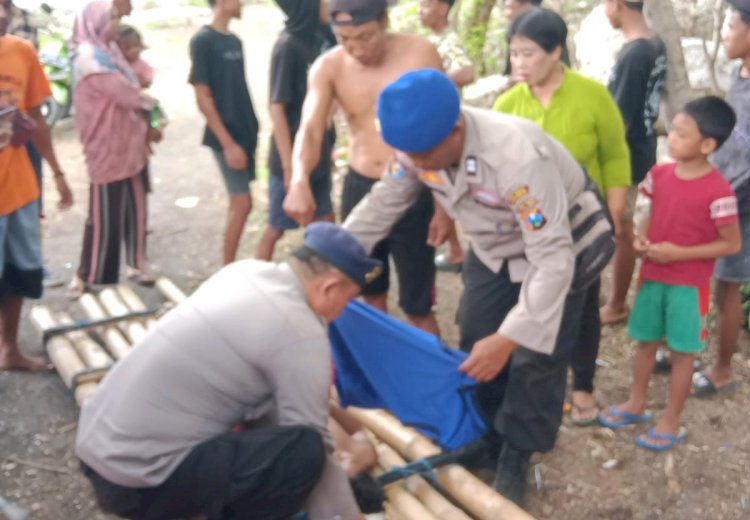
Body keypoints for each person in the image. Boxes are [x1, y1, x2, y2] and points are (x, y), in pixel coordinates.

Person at [345, 69, 613, 504]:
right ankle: (488, 431)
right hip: (495, 247)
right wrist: (333, 255)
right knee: (476, 334)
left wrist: (510, 338)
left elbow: (551, 257)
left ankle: (518, 449)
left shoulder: (516, 156)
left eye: (425, 153)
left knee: (535, 356)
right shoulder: (419, 147)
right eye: (409, 154)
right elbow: (384, 202)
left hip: (561, 247)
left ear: (456, 128)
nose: (418, 162)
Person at [76, 222, 376, 520]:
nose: (343, 312)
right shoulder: (300, 331)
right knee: (303, 452)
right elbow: (315, 449)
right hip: (142, 485)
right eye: (347, 301)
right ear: (329, 287)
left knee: (276, 422)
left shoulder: (243, 272)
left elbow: (267, 408)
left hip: (96, 450)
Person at [493, 8, 630, 426]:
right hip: (530, 223)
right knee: (529, 297)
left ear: (556, 52)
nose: (519, 63)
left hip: (583, 218)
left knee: (584, 304)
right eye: (514, 54)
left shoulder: (592, 95)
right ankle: (530, 383)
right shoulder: (508, 103)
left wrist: (618, 208)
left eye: (528, 53)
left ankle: (584, 385)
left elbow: (615, 153)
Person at [283, 0, 443, 335]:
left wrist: (444, 209)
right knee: (368, 293)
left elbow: (443, 131)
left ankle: (439, 384)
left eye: (366, 36)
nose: (357, 48)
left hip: (414, 190)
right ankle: (377, 377)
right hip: (361, 186)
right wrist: (299, 180)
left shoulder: (420, 55)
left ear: (384, 20)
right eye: (345, 39)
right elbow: (311, 128)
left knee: (419, 305)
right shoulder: (328, 67)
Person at [599, 97, 741, 450]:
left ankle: (671, 419)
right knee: (645, 344)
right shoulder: (659, 175)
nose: (671, 138)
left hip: (689, 288)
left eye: (681, 134)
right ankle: (636, 402)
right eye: (672, 131)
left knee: (682, 354)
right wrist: (641, 236)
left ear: (707, 145)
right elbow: (650, 210)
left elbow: (731, 245)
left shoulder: (719, 191)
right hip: (652, 278)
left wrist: (681, 253)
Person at [67, 0, 157, 299]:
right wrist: (150, 105)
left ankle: (137, 263)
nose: (118, 23)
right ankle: (89, 273)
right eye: (113, 17)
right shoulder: (89, 58)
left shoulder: (110, 51)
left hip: (130, 141)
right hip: (106, 145)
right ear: (97, 20)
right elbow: (125, 94)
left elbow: (139, 78)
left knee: (137, 205)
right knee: (103, 212)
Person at [0, 0, 73, 372]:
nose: (1, 13)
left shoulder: (21, 52)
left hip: (19, 189)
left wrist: (58, 174)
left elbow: (37, 120)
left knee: (19, 271)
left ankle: (9, 350)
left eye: (5, 4)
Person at [691, 0, 750, 398]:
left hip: (741, 202)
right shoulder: (738, 72)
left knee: (729, 283)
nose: (726, 34)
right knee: (707, 277)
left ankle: (723, 369)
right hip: (721, 189)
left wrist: (728, 199)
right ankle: (690, 349)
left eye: (731, 25)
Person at [600, 0, 667, 326]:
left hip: (624, 155)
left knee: (621, 228)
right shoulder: (655, 43)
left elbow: (620, 120)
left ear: (617, 4)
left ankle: (616, 304)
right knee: (620, 227)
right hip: (642, 147)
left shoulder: (634, 53)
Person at [256, 0, 336, 262]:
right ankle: (255, 276)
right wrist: (290, 168)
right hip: (289, 154)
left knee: (325, 220)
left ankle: (323, 279)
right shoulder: (288, 46)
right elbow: (277, 109)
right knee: (277, 227)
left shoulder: (322, 38)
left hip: (319, 151)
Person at [189, 0, 259, 265]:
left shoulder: (234, 42)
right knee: (242, 203)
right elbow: (203, 97)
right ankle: (227, 268)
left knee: (241, 203)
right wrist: (228, 144)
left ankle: (228, 266)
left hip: (244, 132)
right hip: (226, 136)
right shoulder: (203, 41)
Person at [419, 0, 474, 272]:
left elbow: (467, 72)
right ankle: (454, 250)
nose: (421, 9)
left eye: (427, 4)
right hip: (439, 124)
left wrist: (433, 85)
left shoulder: (448, 40)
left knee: (441, 187)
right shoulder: (432, 40)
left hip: (446, 128)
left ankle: (456, 252)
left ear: (443, 8)